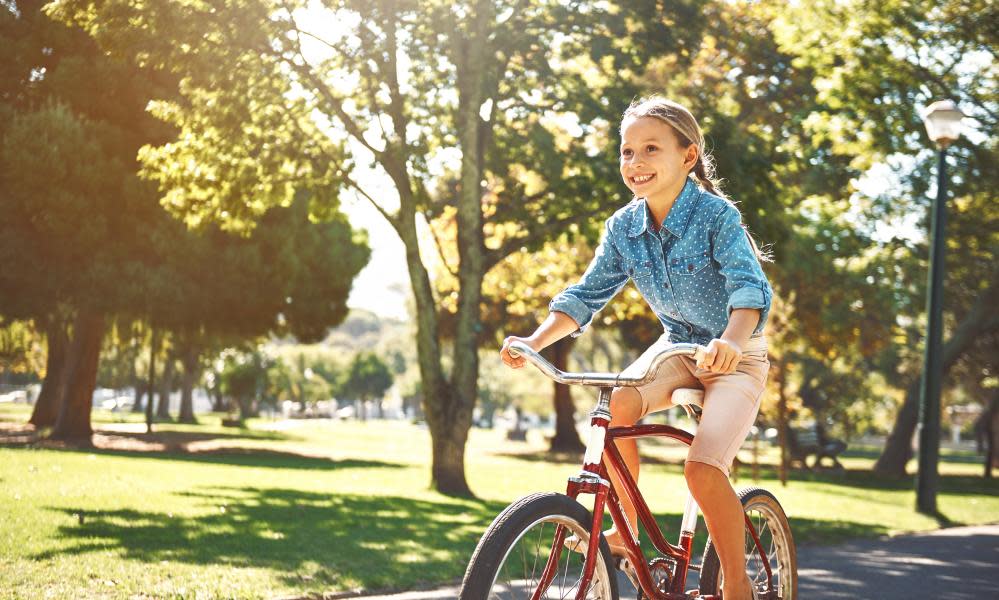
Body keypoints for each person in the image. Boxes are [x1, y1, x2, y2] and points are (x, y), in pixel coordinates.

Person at [499, 96, 772, 600]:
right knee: (617, 404)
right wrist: (535, 341)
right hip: (676, 351)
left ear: (688, 157)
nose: (635, 163)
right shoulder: (623, 228)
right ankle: (626, 535)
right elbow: (586, 294)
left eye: (650, 149)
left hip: (737, 358)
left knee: (703, 470)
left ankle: (736, 584)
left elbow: (748, 289)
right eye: (626, 152)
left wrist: (731, 343)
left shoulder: (717, 216)